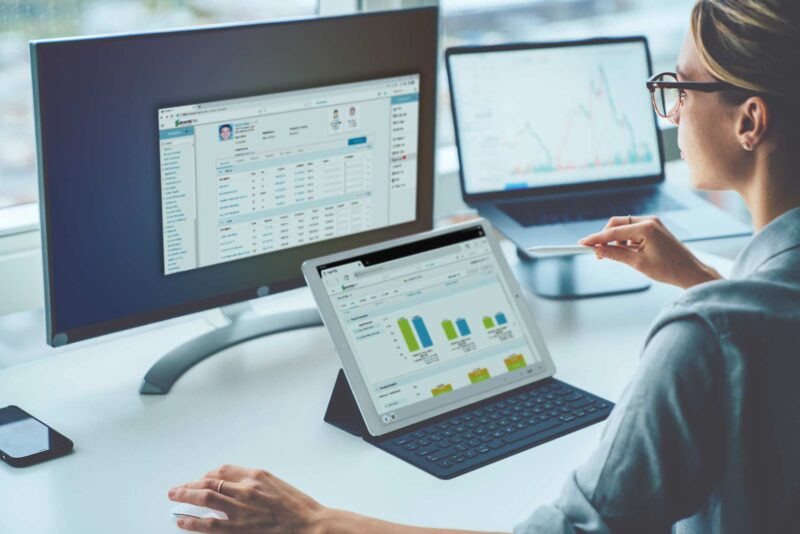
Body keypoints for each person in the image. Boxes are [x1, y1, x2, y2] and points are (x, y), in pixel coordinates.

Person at [168, 1, 800, 532]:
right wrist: (702, 281)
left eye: (680, 88)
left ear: (750, 121)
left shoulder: (705, 336)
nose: (673, 108)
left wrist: (311, 520)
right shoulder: (744, 310)